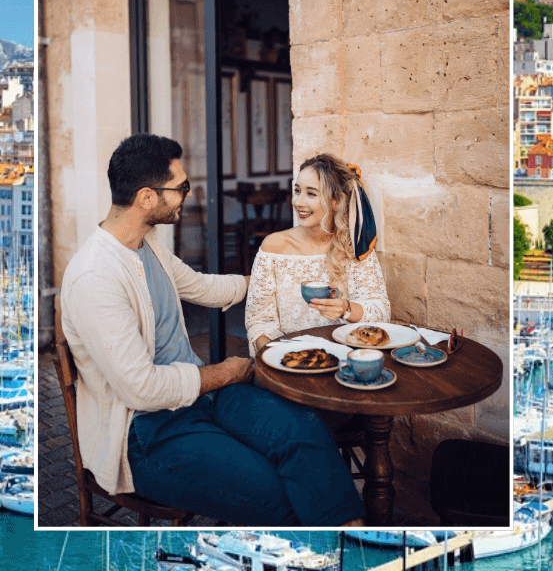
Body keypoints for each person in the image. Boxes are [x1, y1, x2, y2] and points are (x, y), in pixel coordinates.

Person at [59, 134, 365, 527]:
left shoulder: (145, 243)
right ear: (147, 198)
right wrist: (225, 372)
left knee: (303, 432)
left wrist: (270, 279)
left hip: (200, 397)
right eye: (181, 187)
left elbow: (199, 286)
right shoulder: (94, 276)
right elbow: (142, 389)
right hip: (145, 435)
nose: (188, 193)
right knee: (281, 491)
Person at [245, 154, 390, 354]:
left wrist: (346, 309)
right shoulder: (273, 247)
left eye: (311, 194)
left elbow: (382, 312)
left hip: (345, 360)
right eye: (297, 191)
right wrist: (281, 359)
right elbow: (258, 320)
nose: (298, 202)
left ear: (336, 201)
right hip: (286, 362)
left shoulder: (352, 246)